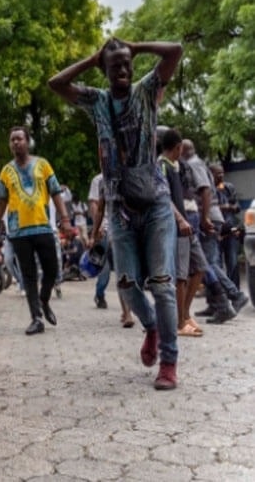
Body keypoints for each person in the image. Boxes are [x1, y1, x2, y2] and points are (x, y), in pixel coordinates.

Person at [49, 38, 183, 390]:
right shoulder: (97, 101)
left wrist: (134, 46)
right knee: (126, 283)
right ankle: (151, 325)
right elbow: (56, 84)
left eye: (127, 64)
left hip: (155, 204)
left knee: (162, 283)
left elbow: (175, 51)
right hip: (120, 209)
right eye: (115, 65)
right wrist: (91, 59)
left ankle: (168, 362)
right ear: (105, 70)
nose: (123, 70)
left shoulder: (147, 90)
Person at [0, 126, 72, 335]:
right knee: (28, 276)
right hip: (18, 232)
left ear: (27, 141)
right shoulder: (6, 171)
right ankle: (36, 318)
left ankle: (44, 300)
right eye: (12, 140)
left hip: (43, 226)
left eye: (19, 139)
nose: (15, 143)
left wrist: (65, 219)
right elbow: (1, 202)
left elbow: (56, 193)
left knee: (52, 270)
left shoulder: (42, 165)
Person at [157, 129, 215, 335]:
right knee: (181, 275)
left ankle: (185, 314)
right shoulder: (161, 166)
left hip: (188, 226)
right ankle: (180, 324)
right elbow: (164, 197)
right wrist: (180, 219)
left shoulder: (178, 166)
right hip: (177, 226)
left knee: (200, 266)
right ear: (179, 147)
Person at [181, 140, 249, 315]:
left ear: (184, 150)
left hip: (209, 219)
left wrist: (204, 218)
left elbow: (205, 191)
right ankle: (215, 305)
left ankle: (236, 295)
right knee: (205, 262)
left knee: (207, 262)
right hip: (210, 217)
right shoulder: (197, 164)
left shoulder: (193, 164)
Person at [88, 172, 134, 327]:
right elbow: (96, 205)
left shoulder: (131, 175)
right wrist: (96, 230)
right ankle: (102, 296)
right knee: (108, 269)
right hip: (108, 229)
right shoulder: (101, 180)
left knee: (127, 270)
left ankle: (127, 310)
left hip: (129, 228)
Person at [211, 164, 242, 287]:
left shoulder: (228, 188)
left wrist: (230, 207)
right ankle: (222, 294)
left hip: (231, 231)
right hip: (215, 233)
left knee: (233, 263)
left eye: (222, 172)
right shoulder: (207, 190)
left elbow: (237, 207)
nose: (221, 175)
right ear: (210, 174)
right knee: (216, 265)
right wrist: (225, 207)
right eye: (218, 173)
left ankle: (236, 292)